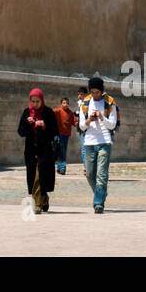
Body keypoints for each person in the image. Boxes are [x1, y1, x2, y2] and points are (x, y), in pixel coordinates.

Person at [78, 75, 118, 213]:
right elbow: (82, 126)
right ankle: (100, 193)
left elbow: (112, 125)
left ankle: (98, 203)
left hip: (104, 141)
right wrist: (89, 120)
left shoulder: (110, 102)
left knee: (102, 174)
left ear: (102, 91)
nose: (94, 95)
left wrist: (102, 117)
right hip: (89, 142)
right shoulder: (85, 103)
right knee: (89, 174)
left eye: (97, 92)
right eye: (92, 92)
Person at [18, 88, 58, 213]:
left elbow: (55, 131)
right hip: (30, 151)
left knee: (39, 176)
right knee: (33, 177)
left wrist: (44, 126)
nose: (35, 104)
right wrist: (27, 123)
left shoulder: (48, 112)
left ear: (42, 101)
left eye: (37, 101)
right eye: (33, 101)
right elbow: (20, 131)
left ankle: (36, 204)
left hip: (44, 151)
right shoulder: (26, 113)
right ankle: (43, 198)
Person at [53, 96, 78, 175]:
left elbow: (75, 122)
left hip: (66, 135)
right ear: (61, 104)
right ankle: (60, 167)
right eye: (64, 103)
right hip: (58, 134)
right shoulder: (58, 111)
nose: (65, 104)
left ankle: (61, 167)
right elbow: (50, 113)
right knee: (59, 150)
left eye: (67, 103)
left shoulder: (70, 113)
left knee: (63, 151)